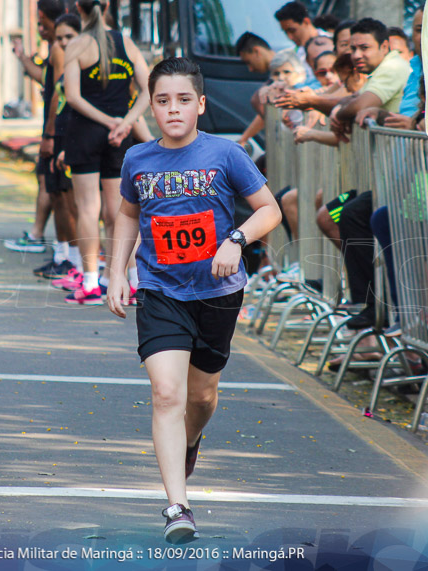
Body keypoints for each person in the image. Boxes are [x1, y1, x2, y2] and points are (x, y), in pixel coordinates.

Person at [106, 57, 281, 543]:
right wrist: (116, 271)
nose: (173, 109)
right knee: (167, 393)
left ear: (201, 105)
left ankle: (192, 438)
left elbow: (269, 210)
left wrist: (236, 241)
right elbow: (126, 214)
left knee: (201, 396)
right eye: (162, 101)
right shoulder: (138, 159)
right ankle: (177, 507)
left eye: (183, 100)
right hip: (160, 289)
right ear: (152, 107)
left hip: (218, 293)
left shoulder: (225, 155)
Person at [62, 0, 150, 304]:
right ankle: (128, 280)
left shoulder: (77, 45)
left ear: (79, 10)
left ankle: (89, 282)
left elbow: (73, 97)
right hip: (119, 137)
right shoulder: (126, 43)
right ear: (109, 5)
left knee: (88, 207)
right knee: (120, 212)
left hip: (85, 133)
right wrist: (124, 122)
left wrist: (106, 121)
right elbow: (149, 90)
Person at [6, 0, 66, 254]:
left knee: (56, 186)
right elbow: (49, 82)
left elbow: (58, 91)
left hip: (60, 127)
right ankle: (67, 251)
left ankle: (60, 247)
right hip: (60, 125)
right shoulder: (57, 47)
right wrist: (22, 57)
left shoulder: (58, 48)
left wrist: (50, 134)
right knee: (52, 184)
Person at [35, 13, 83, 280]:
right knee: (61, 197)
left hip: (73, 137)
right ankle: (68, 258)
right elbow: (55, 97)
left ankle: (84, 264)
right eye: (60, 38)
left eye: (69, 37)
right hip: (60, 135)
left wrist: (52, 136)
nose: (63, 43)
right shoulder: (67, 63)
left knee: (78, 204)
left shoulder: (84, 63)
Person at [330, 18, 411, 141]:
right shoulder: (382, 68)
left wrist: (338, 116)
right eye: (353, 49)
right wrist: (338, 109)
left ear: (384, 47)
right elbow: (354, 98)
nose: (356, 55)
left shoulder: (393, 67)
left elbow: (359, 105)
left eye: (364, 48)